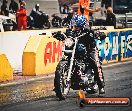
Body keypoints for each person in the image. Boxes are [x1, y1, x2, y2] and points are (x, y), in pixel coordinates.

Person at [70, 14, 105, 94]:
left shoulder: (88, 31)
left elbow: (96, 33)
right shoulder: (72, 30)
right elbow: (67, 33)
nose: (75, 28)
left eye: (77, 26)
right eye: (74, 26)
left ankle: (101, 86)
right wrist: (58, 34)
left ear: (82, 26)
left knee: (95, 64)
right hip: (77, 50)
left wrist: (98, 34)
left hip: (90, 50)